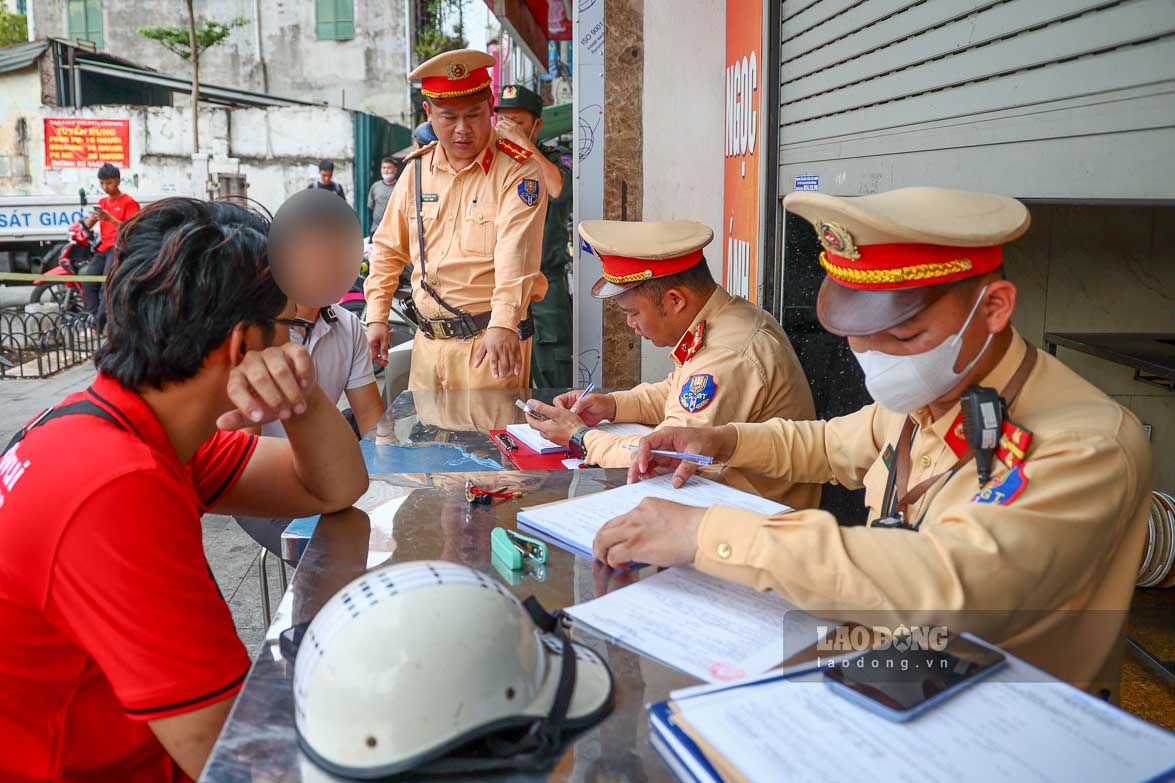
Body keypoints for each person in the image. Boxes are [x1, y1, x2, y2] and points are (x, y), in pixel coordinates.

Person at [595, 187, 1152, 698]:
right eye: (859, 340)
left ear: (993, 308)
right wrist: (723, 439)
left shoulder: (1084, 444)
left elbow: (953, 587)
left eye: (904, 335)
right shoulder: (933, 390)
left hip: (1002, 720)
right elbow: (831, 445)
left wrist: (707, 532)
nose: (879, 361)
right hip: (893, 675)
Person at [0, 197, 368, 781]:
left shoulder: (129, 425)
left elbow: (334, 488)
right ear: (242, 346)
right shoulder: (114, 488)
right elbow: (236, 758)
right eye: (288, 328)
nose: (295, 344)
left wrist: (297, 394)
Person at [524, 219, 819, 509]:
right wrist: (612, 405)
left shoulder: (727, 353)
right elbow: (678, 392)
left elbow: (662, 456)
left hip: (754, 525)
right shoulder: (722, 318)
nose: (631, 325)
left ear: (675, 300)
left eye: (633, 312)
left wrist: (580, 437)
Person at [364, 49, 548, 391]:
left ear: (490, 106)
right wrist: (376, 314)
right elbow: (387, 249)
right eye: (449, 117)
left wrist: (504, 324)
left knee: (485, 444)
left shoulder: (519, 170)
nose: (463, 129)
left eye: (475, 115)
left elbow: (516, 256)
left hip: (490, 345)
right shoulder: (416, 171)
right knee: (428, 442)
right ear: (428, 113)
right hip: (427, 346)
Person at [493, 84, 574, 387]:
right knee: (503, 374)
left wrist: (521, 145)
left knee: (553, 371)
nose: (508, 128)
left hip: (545, 284)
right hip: (499, 285)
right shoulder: (491, 163)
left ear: (537, 125)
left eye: (518, 122)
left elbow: (558, 190)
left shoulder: (553, 158)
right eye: (503, 121)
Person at [82, 163, 140, 328]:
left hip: (119, 248)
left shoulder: (129, 203)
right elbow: (88, 225)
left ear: (118, 181)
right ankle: (92, 319)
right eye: (102, 184)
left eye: (109, 183)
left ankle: (99, 325)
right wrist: (92, 218)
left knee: (105, 285)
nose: (105, 187)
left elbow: (133, 229)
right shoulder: (102, 202)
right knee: (88, 282)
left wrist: (110, 219)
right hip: (103, 248)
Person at [367, 156, 399, 233]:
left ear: (395, 169)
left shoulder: (400, 187)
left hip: (394, 231)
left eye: (389, 168)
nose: (386, 170)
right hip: (376, 230)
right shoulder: (375, 186)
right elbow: (371, 208)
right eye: (383, 168)